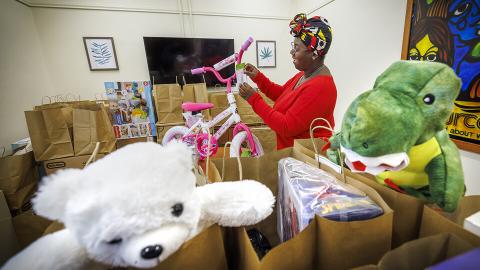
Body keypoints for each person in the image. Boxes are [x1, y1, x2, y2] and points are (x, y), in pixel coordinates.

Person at [239, 13, 337, 150]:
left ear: (314, 53)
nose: (292, 52)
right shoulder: (305, 75)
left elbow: (286, 127)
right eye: (293, 46)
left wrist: (253, 99)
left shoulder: (320, 88)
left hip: (307, 161)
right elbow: (282, 95)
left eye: (297, 48)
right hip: (292, 155)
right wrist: (258, 77)